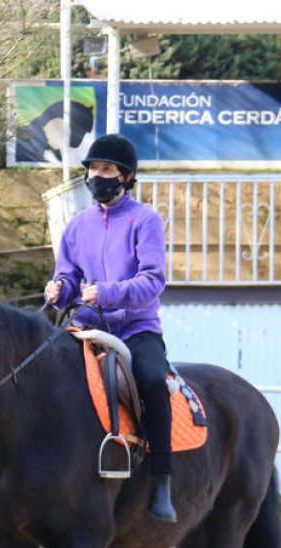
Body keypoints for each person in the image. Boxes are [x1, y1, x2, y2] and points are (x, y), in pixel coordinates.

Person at [43, 133, 177, 523]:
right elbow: (68, 277)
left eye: (105, 169)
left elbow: (153, 281)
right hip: (84, 325)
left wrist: (108, 293)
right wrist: (58, 289)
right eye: (92, 169)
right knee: (35, 374)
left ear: (126, 177)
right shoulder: (77, 225)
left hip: (136, 329)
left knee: (152, 380)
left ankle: (162, 481)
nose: (96, 176)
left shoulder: (146, 220)